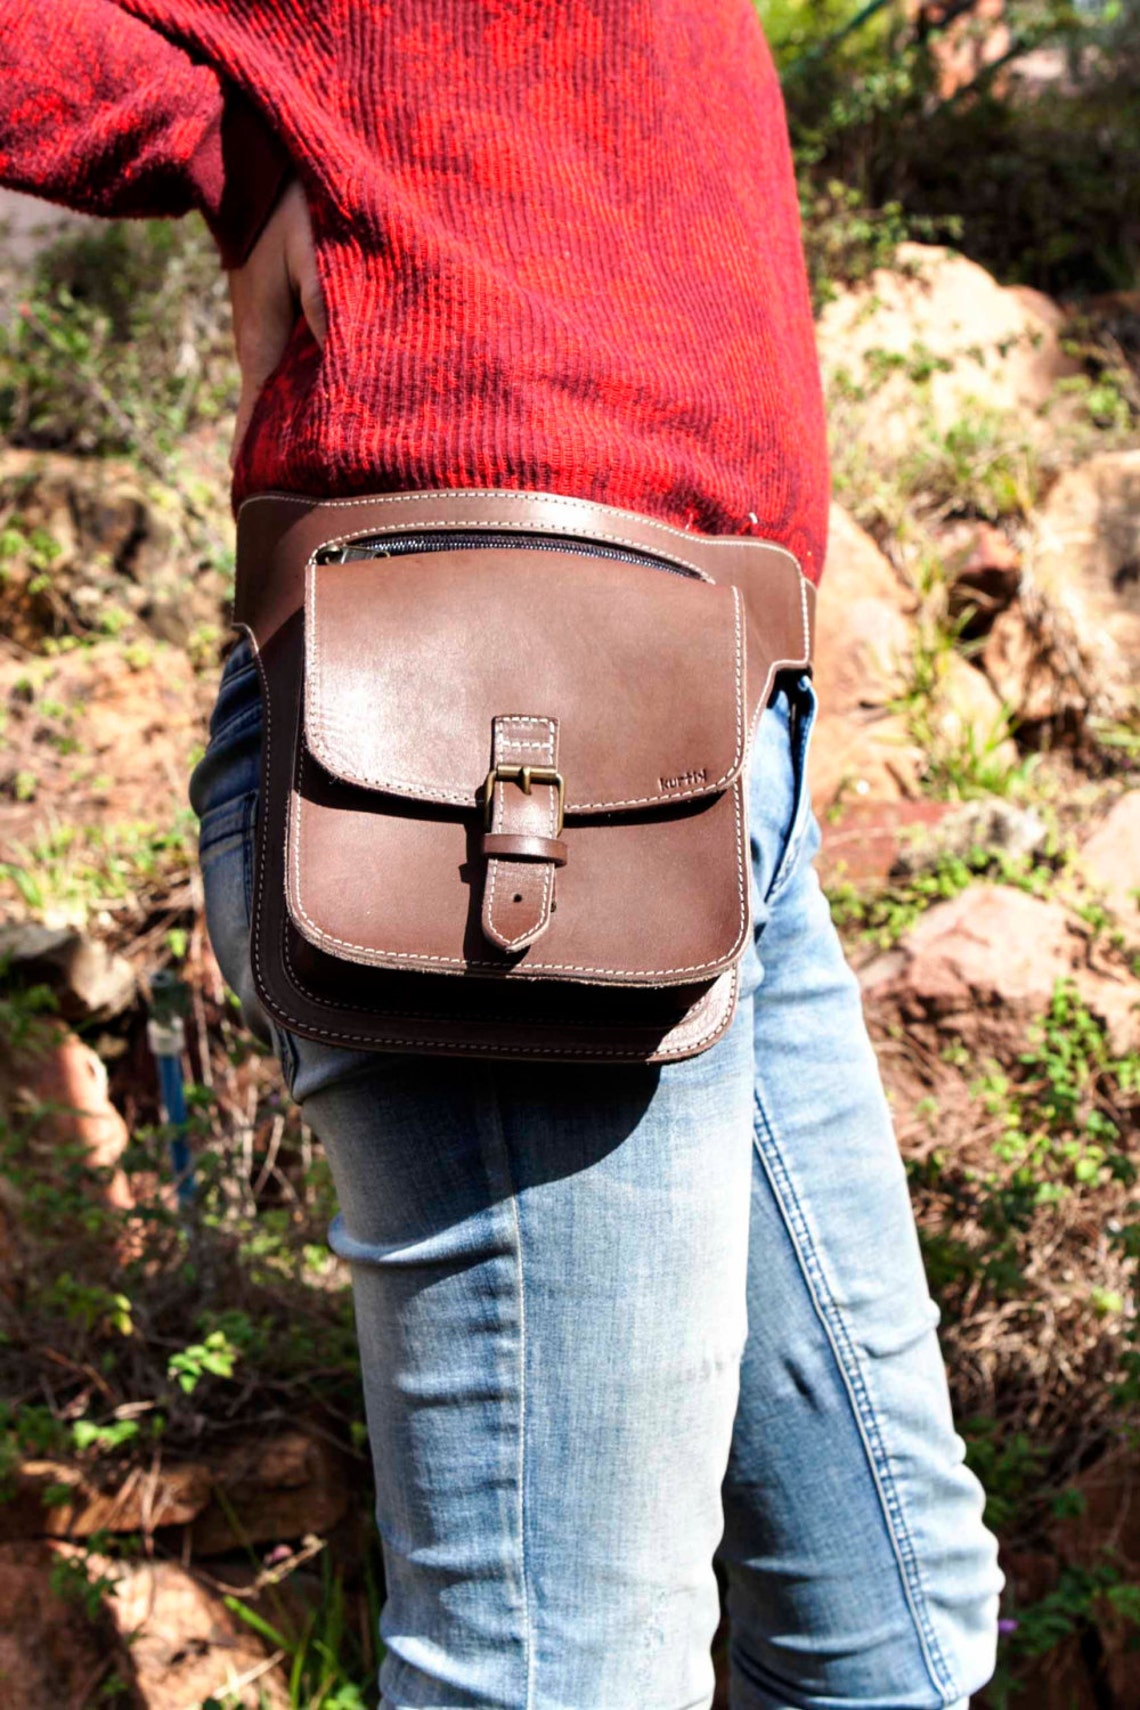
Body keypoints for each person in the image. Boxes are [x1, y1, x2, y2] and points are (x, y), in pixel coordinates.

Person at [0, 4, 1003, 1705]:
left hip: (714, 712)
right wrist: (221, 139)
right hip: (489, 732)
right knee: (561, 1671)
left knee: (892, 1616)